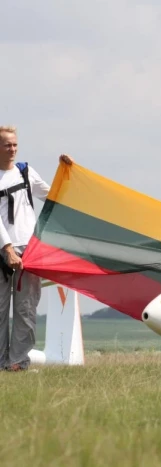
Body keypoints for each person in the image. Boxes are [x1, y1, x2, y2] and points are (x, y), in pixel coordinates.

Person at [0, 125, 74, 371]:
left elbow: (53, 195)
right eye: (7, 145)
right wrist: (8, 249)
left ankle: (18, 363)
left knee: (26, 309)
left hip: (29, 250)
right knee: (1, 311)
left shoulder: (25, 172)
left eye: (14, 145)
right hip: (3, 251)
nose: (12, 149)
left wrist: (66, 171)